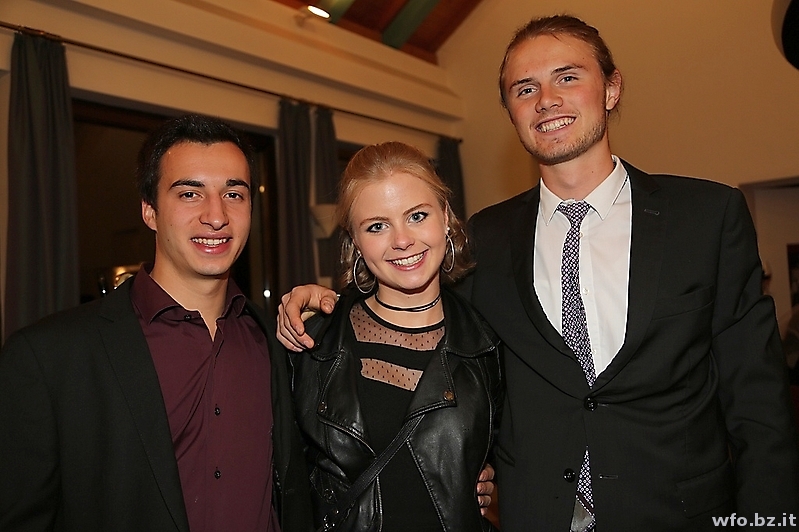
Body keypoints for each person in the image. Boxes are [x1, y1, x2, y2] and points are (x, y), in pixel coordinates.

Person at [277, 14, 799, 531]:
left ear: (612, 88)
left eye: (567, 77)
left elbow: (759, 404)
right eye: (525, 89)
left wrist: (768, 522)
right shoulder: (484, 238)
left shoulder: (706, 217)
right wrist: (327, 301)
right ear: (511, 112)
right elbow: (417, 309)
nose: (546, 99)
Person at [0, 114, 313, 532]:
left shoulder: (278, 342)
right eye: (190, 194)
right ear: (150, 211)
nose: (216, 215)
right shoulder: (50, 357)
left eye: (234, 194)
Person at [289, 141, 501, 531]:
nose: (402, 240)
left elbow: (524, 454)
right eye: (377, 226)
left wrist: (496, 485)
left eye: (417, 216)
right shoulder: (311, 343)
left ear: (445, 217)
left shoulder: (488, 344)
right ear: (355, 241)